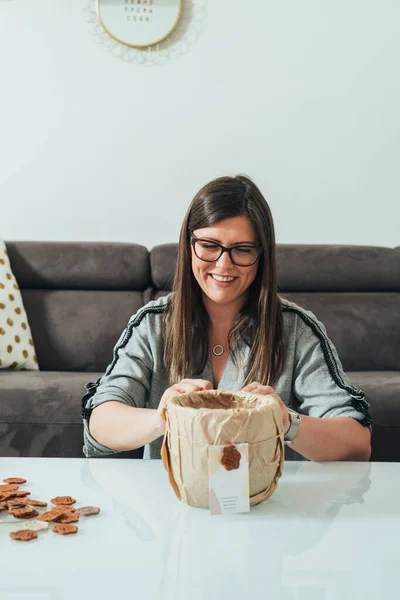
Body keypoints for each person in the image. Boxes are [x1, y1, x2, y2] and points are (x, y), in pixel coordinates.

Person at [81, 175, 372, 462]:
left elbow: (357, 443)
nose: (223, 264)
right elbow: (100, 422)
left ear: (262, 256)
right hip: (171, 504)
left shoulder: (297, 329)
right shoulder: (152, 324)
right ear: (188, 246)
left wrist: (285, 421)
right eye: (209, 245)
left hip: (272, 505)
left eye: (242, 250)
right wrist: (163, 416)